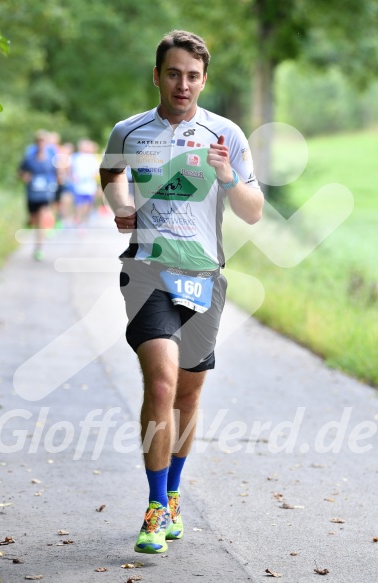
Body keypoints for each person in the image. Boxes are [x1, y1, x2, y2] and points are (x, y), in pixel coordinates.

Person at [100, 30, 264, 555]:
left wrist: (228, 175)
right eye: (174, 73)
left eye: (193, 76)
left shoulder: (226, 134)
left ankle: (172, 495)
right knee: (163, 384)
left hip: (204, 276)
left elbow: (253, 210)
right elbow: (109, 172)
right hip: (147, 271)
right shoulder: (130, 130)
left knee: (189, 394)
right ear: (157, 76)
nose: (183, 84)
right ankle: (153, 507)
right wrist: (119, 202)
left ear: (204, 80)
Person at [19, 130, 59, 260]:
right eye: (39, 141)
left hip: (45, 194)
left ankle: (39, 248)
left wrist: (58, 181)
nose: (41, 144)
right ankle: (30, 221)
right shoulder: (29, 159)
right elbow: (20, 172)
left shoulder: (51, 159)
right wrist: (25, 177)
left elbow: (58, 172)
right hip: (32, 194)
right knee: (33, 219)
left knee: (42, 219)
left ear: (46, 144)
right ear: (36, 143)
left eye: (44, 141)